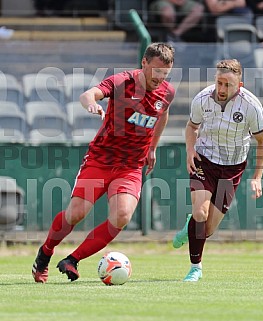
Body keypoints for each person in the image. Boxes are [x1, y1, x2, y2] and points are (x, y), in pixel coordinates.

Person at [32, 43, 176, 283]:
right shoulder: (121, 82)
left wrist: (152, 147)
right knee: (76, 214)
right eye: (156, 71)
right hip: (101, 159)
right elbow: (88, 94)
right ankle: (45, 252)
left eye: (165, 74)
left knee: (122, 216)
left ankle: (73, 260)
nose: (159, 78)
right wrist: (91, 103)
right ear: (144, 63)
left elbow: (163, 115)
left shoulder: (167, 92)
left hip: (130, 166)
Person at [172, 59, 263, 281]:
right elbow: (191, 127)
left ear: (240, 85)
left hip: (232, 168)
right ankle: (195, 268)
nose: (222, 89)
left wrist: (258, 177)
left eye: (228, 84)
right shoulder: (202, 98)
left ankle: (190, 226)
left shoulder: (251, 106)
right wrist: (189, 150)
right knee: (200, 212)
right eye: (219, 82)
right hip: (204, 161)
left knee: (207, 229)